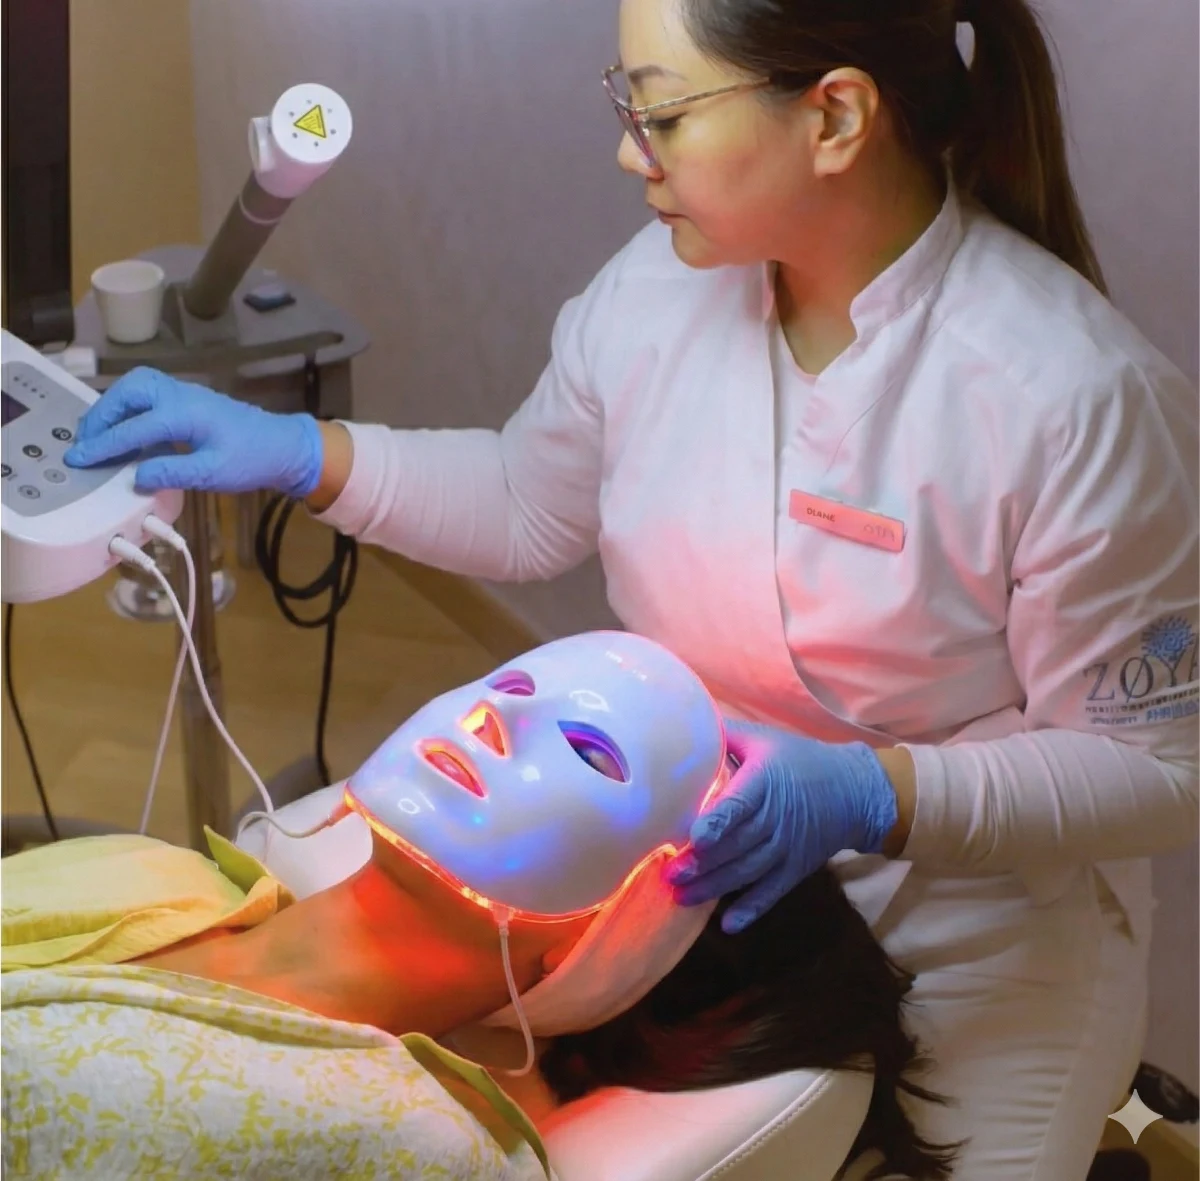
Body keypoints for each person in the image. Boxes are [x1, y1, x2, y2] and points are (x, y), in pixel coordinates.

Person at [64, 0, 1198, 1175]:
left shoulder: (1072, 397)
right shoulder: (660, 291)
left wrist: (874, 791)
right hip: (675, 895)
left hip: (977, 923)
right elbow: (525, 498)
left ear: (838, 117)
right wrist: (307, 456)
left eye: (659, 112)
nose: (628, 151)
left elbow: (1163, 769)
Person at [3, 632, 956, 1180]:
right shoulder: (149, 872)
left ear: (619, 939)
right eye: (508, 682)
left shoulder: (406, 1138)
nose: (494, 715)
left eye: (590, 752)